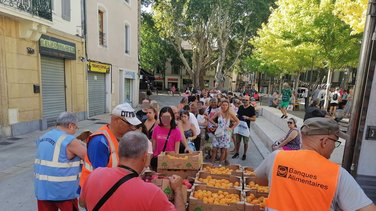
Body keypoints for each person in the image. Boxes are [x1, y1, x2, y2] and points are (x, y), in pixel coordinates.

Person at [255, 117, 375, 211]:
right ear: (324, 142)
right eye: (335, 141)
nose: (334, 146)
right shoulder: (338, 175)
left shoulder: (276, 157)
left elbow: (256, 180)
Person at [79, 132, 185, 211]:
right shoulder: (152, 193)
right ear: (144, 157)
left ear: (119, 153)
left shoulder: (95, 174)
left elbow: (82, 203)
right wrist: (178, 190)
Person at [80, 103, 141, 191]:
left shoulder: (119, 137)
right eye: (129, 124)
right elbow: (99, 177)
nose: (133, 128)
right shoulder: (100, 141)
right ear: (117, 121)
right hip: (94, 193)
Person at [34, 112, 86, 211]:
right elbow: (88, 156)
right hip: (63, 192)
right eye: (76, 128)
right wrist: (82, 144)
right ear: (71, 125)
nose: (75, 131)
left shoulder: (43, 137)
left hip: (43, 190)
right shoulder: (69, 140)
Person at [209, 99, 240, 165]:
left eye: (226, 105)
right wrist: (216, 124)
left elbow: (238, 121)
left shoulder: (230, 113)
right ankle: (212, 164)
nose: (224, 106)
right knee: (214, 149)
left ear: (228, 106)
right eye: (223, 105)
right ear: (221, 105)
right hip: (218, 132)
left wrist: (231, 128)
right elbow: (210, 119)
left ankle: (220, 165)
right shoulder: (218, 112)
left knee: (223, 150)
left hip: (226, 134)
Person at [233, 96, 256, 160]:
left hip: (246, 128)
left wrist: (248, 118)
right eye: (243, 100)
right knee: (237, 141)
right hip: (239, 127)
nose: (245, 101)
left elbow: (254, 119)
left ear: (249, 101)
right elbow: (237, 115)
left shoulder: (251, 108)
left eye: (246, 100)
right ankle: (237, 153)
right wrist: (234, 119)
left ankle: (244, 154)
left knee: (245, 142)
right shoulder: (240, 107)